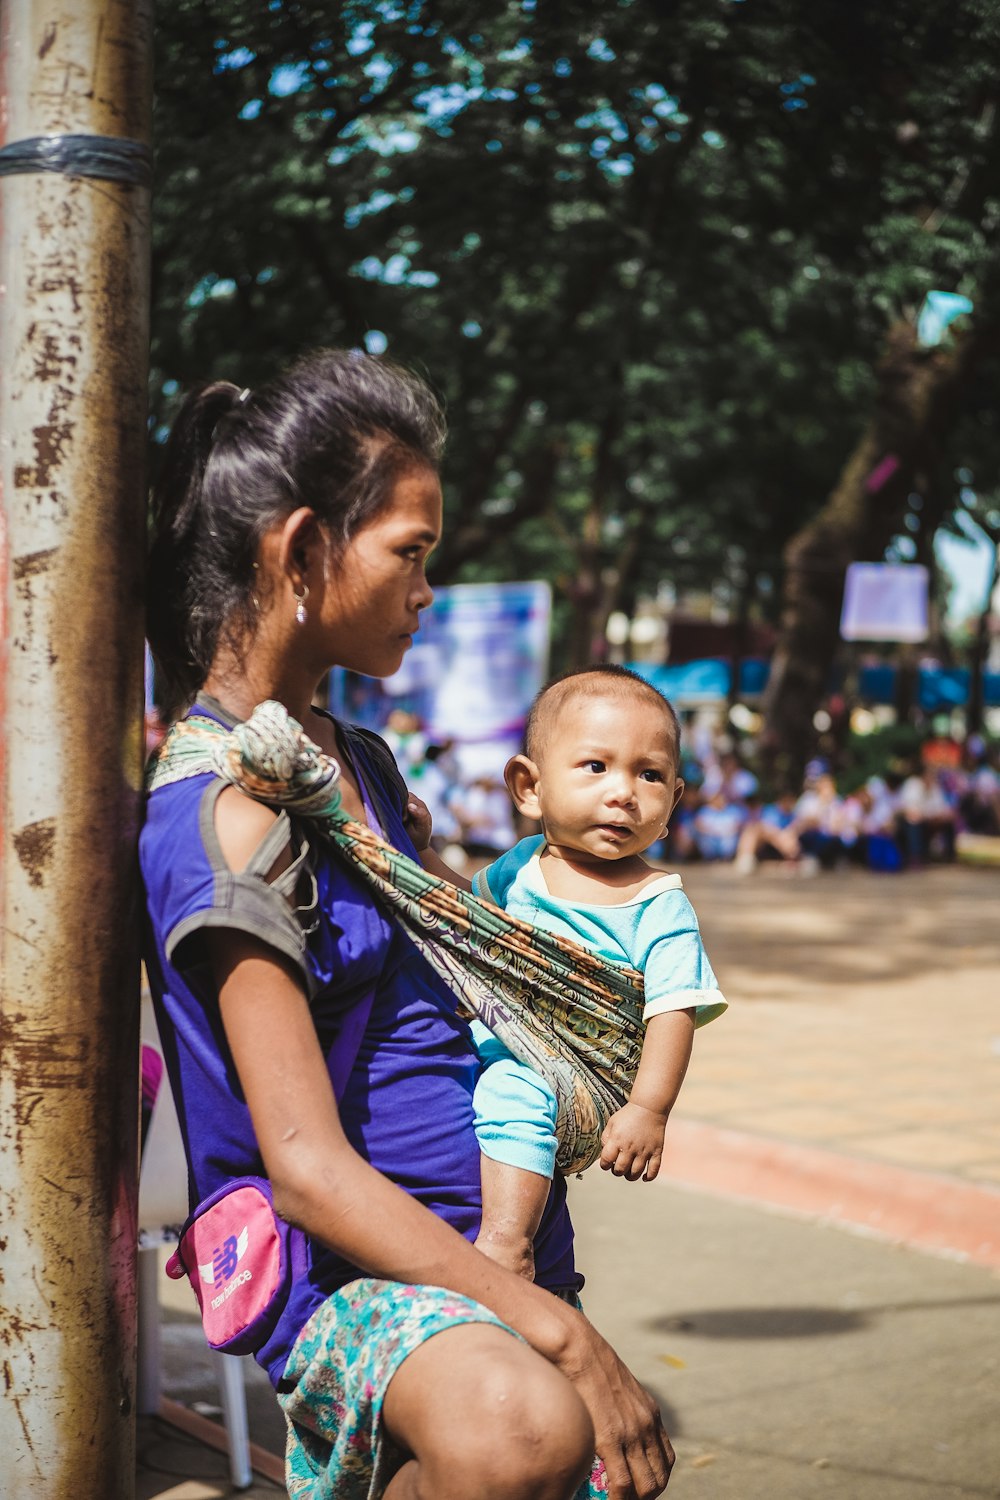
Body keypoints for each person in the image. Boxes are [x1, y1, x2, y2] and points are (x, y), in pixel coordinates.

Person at [141, 350, 673, 1500]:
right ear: (299, 552)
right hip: (348, 1278)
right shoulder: (229, 818)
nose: (427, 592)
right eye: (411, 555)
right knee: (521, 1429)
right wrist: (562, 1336)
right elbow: (305, 1168)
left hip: (475, 1247)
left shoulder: (357, 771)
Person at [463, 666, 727, 1280]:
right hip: (492, 1037)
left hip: (570, 1076)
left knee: (514, 1094)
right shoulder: (522, 866)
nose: (623, 792)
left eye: (650, 774)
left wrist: (649, 1110)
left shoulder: (659, 903)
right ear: (528, 787)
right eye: (595, 767)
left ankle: (508, 1242)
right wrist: (420, 855)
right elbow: (464, 920)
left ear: (675, 801)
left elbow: (672, 1009)